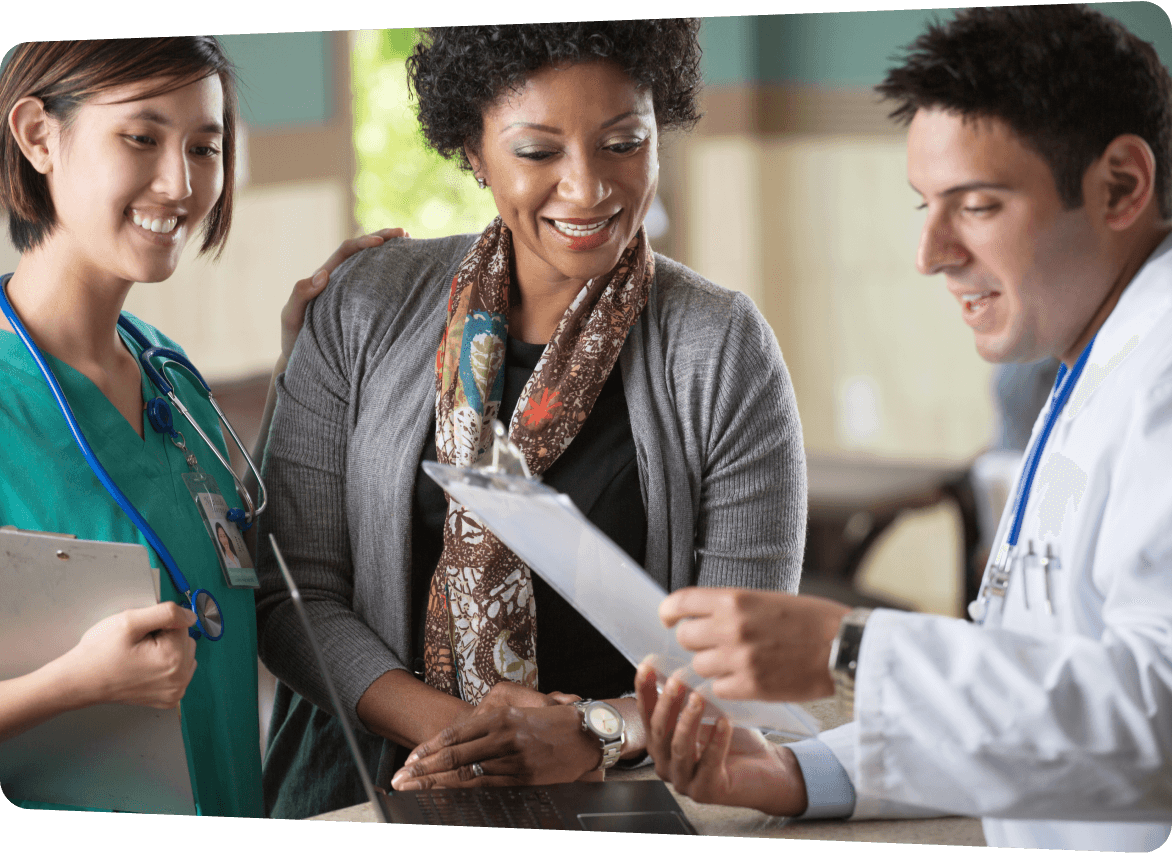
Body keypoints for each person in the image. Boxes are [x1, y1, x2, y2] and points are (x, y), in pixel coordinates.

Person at [637, 7, 1172, 852]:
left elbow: (1153, 723)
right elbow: (1035, 711)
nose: (928, 253)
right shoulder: (1099, 358)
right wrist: (797, 774)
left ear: (1120, 187)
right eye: (925, 205)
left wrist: (848, 650)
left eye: (978, 205)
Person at [254, 20, 807, 819]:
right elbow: (291, 592)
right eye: (539, 152)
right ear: (474, 154)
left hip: (623, 799)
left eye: (623, 142)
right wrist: (476, 743)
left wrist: (595, 731)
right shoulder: (365, 307)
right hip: (366, 788)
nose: (588, 188)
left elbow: (748, 653)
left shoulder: (722, 347)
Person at [0, 38, 400, 816]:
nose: (182, 183)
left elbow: (242, 550)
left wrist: (306, 360)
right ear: (38, 137)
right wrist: (78, 685)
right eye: (142, 138)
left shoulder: (167, 371)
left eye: (205, 147)